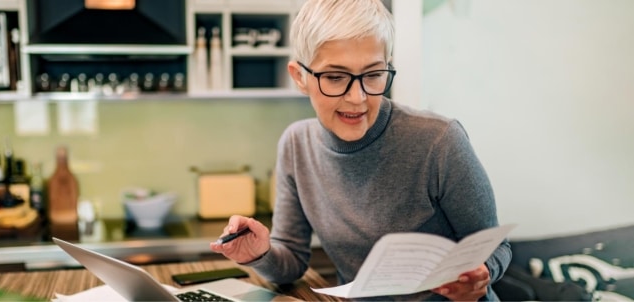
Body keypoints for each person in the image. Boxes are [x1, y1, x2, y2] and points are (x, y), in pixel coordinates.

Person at [210, 0, 512, 300]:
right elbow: (291, 261)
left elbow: (496, 247)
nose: (358, 97)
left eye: (372, 74)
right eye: (335, 77)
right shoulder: (295, 145)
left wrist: (480, 273)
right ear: (300, 77)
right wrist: (258, 253)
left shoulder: (439, 141)